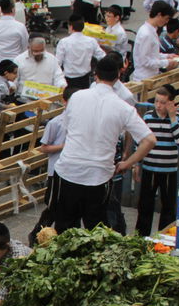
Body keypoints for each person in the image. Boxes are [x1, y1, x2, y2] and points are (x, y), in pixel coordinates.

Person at [54, 55, 156, 231]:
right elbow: (150, 140)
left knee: (64, 226)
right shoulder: (123, 107)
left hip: (69, 169)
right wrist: (128, 163)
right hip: (99, 175)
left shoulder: (76, 97)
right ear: (118, 76)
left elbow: (68, 127)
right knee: (96, 230)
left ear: (95, 74)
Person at [135, 85, 179, 235]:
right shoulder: (148, 117)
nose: (158, 105)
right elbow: (140, 141)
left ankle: (164, 237)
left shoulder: (178, 118)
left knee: (168, 207)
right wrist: (137, 164)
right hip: (149, 168)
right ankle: (141, 237)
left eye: (162, 102)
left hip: (169, 169)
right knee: (145, 205)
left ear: (171, 103)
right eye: (156, 101)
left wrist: (172, 118)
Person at [32, 112, 68, 233]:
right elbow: (43, 148)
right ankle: (37, 234)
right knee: (53, 206)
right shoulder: (55, 123)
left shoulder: (81, 121)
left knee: (68, 207)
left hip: (73, 173)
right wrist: (64, 146)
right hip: (56, 172)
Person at [56, 15, 106, 97]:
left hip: (69, 80)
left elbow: (58, 62)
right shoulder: (91, 41)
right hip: (85, 79)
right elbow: (103, 56)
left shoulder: (64, 42)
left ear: (71, 27)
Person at [132, 1, 179, 82]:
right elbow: (145, 61)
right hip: (144, 78)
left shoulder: (151, 30)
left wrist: (167, 56)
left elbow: (152, 54)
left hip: (150, 76)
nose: (166, 22)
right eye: (166, 18)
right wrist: (166, 62)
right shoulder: (146, 33)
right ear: (159, 15)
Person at [0, 0, 29, 77]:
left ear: (1, 9)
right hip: (16, 64)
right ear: (13, 9)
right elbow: (25, 46)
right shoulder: (20, 26)